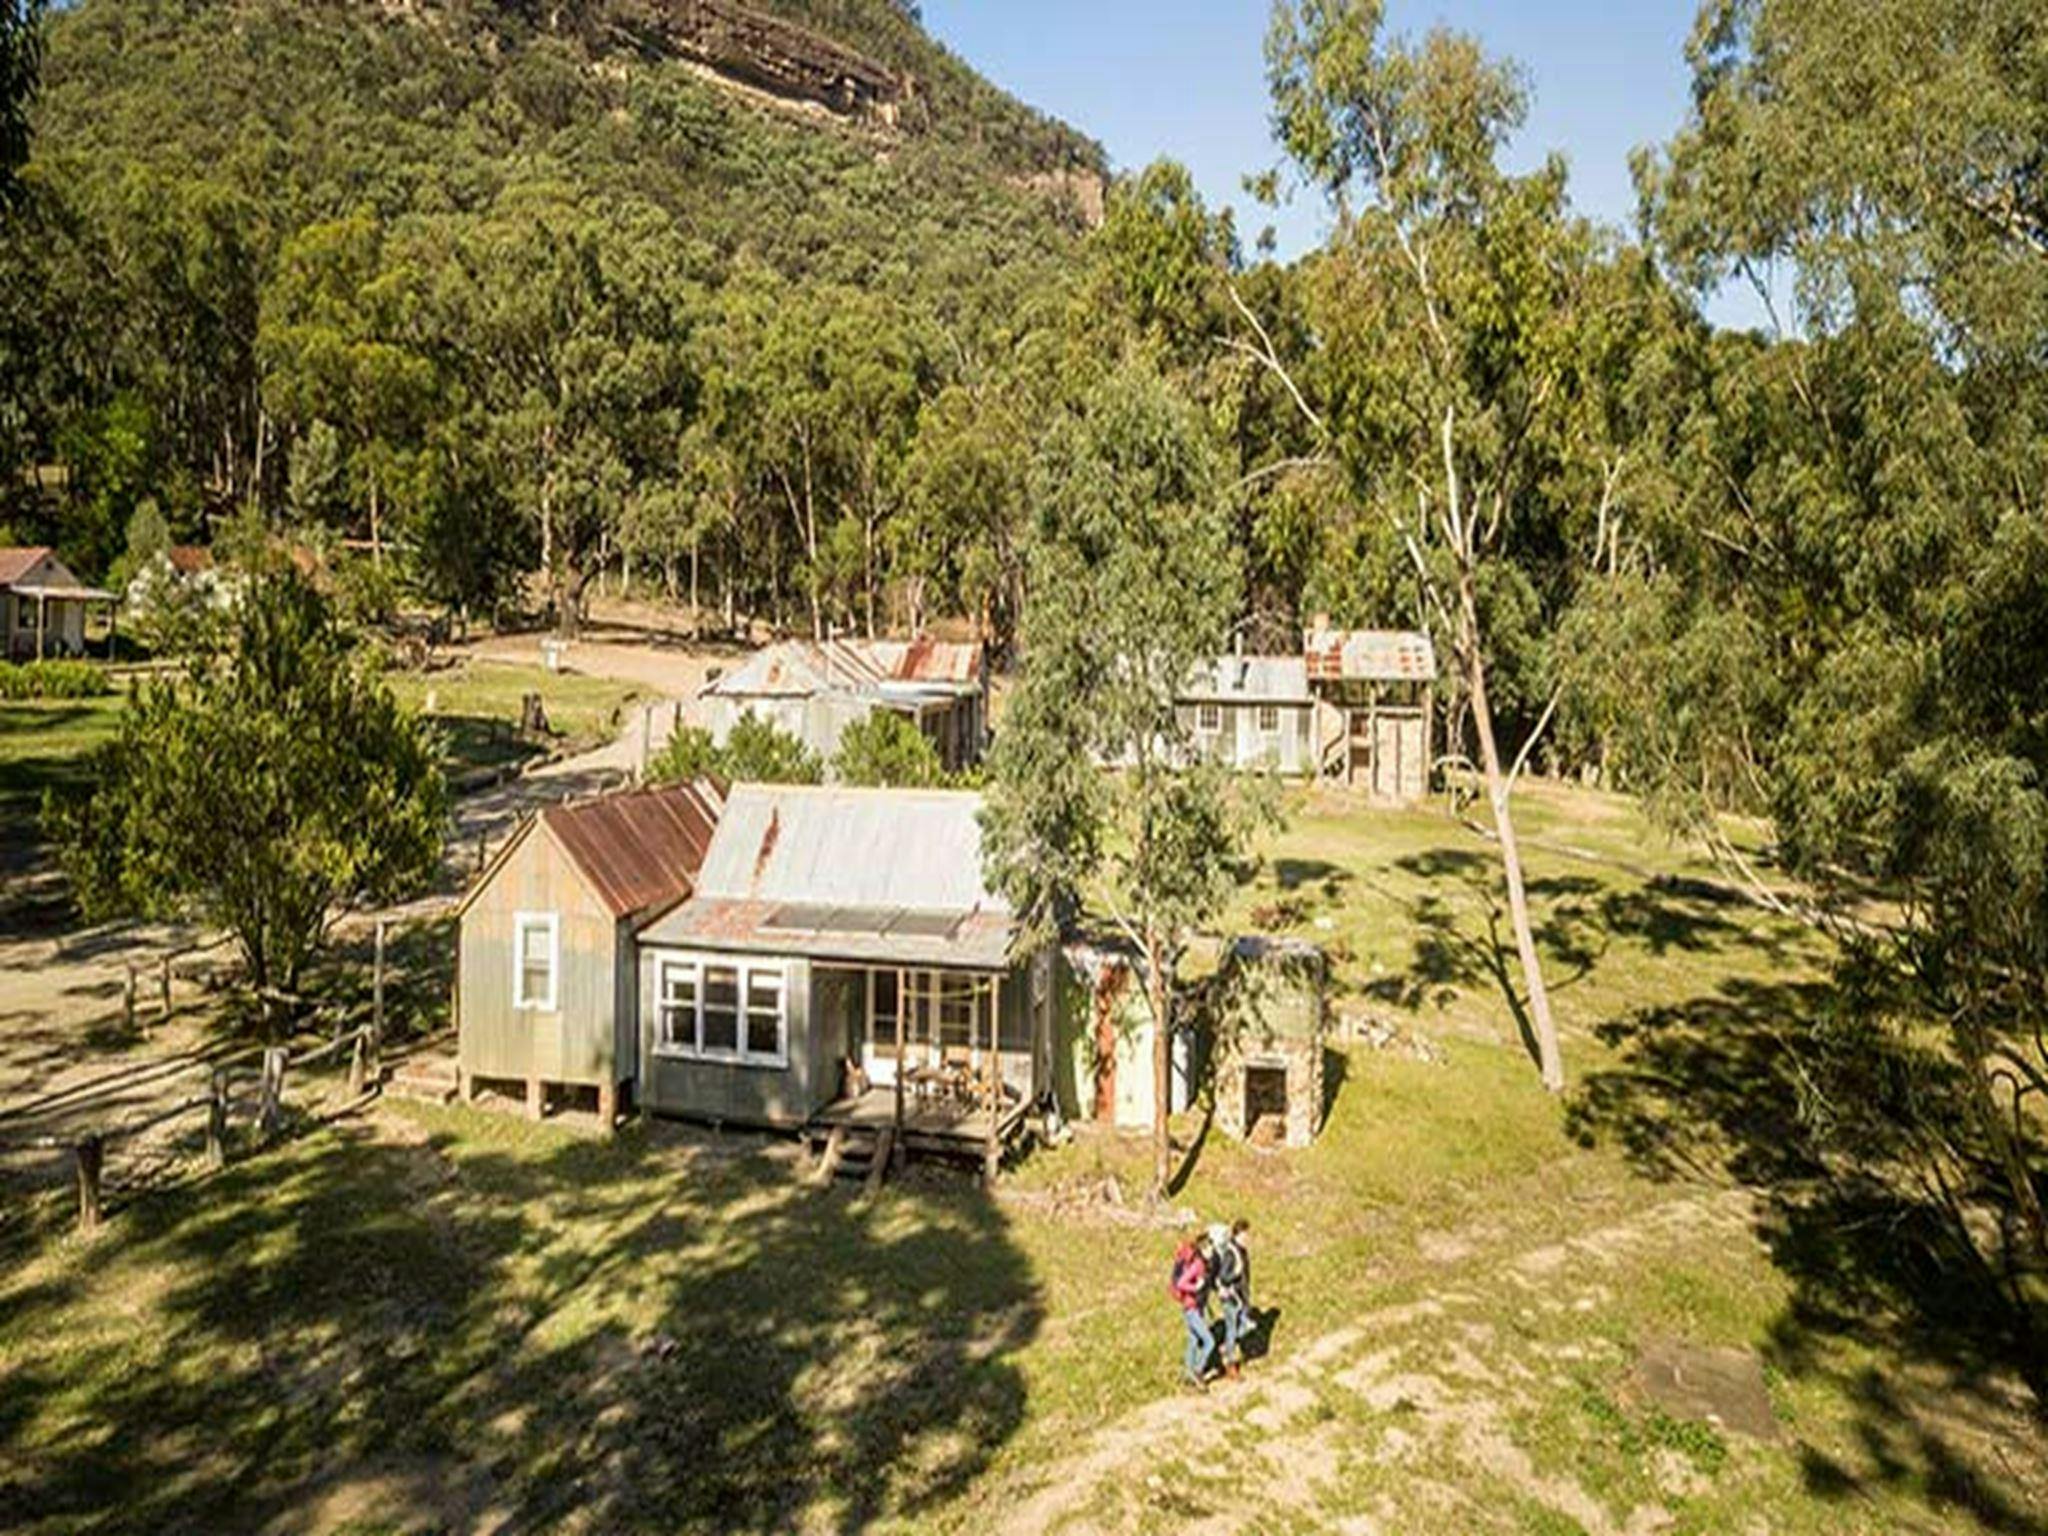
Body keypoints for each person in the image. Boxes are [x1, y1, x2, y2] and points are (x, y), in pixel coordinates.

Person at [1170, 1228, 1215, 1391]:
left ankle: (1188, 1374)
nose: (1212, 1250)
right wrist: (1196, 1287)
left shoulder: (1203, 1263)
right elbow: (1182, 1283)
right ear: (1203, 1249)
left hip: (1194, 1307)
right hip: (1192, 1308)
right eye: (1210, 1247)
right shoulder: (1197, 1265)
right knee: (1209, 1342)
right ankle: (1198, 1371)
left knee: (1193, 1341)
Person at [1212, 1218, 1253, 1379]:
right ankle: (1230, 1364)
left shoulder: (1241, 1250)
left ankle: (1225, 1350)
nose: (1247, 1239)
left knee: (1242, 1328)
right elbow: (1223, 1277)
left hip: (1239, 1297)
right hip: (1231, 1298)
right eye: (1244, 1235)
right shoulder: (1231, 1253)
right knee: (1233, 1330)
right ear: (1236, 1235)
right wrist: (1235, 1274)